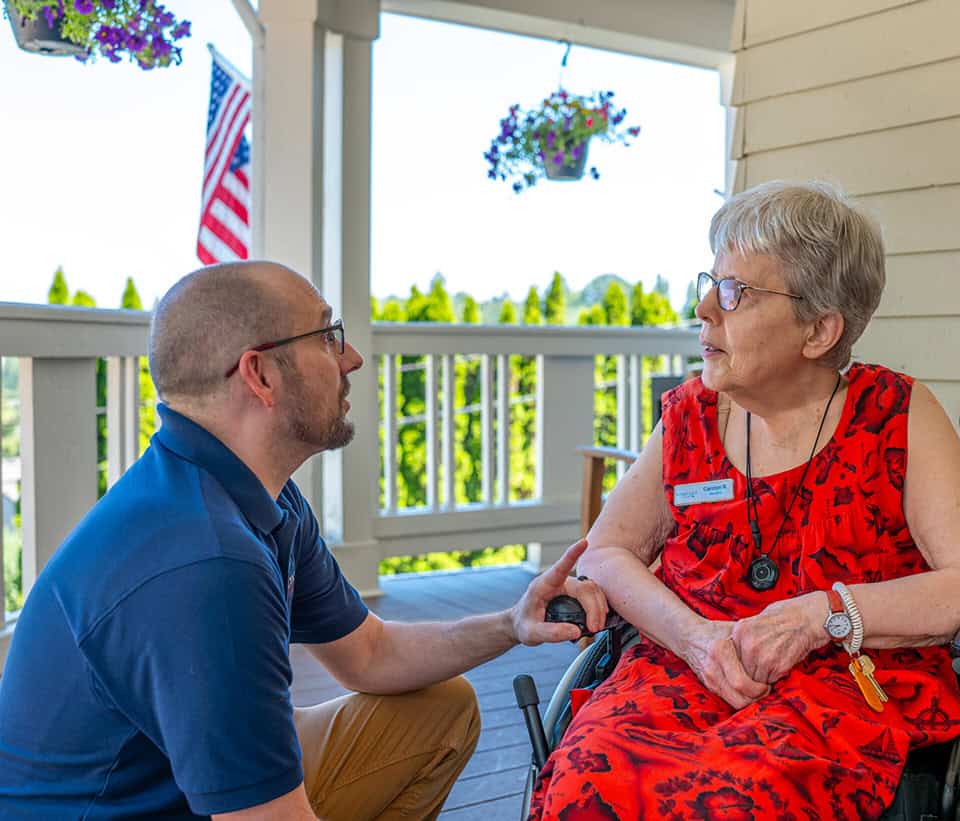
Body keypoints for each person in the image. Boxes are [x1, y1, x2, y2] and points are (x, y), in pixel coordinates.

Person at [0, 261, 608, 821]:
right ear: (260, 374)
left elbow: (369, 655)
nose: (352, 359)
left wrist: (511, 622)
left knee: (440, 708)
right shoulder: (207, 561)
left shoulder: (259, 496)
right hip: (136, 808)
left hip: (182, 782)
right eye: (326, 336)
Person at [528, 181, 960, 820]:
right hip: (681, 667)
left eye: (736, 291)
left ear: (818, 330)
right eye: (709, 281)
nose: (704, 308)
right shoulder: (689, 417)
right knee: (587, 780)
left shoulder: (894, 414)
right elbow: (608, 550)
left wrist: (820, 617)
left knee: (735, 800)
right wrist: (696, 640)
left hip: (839, 683)